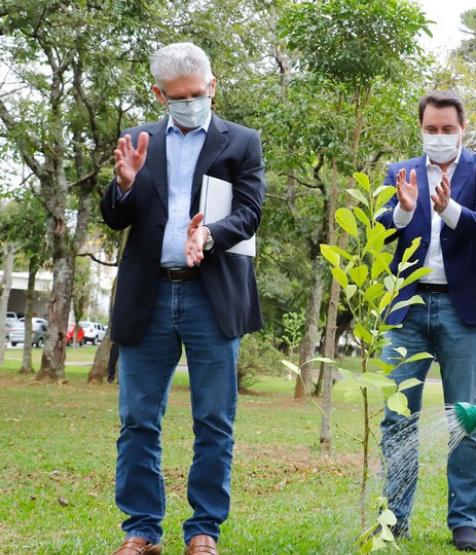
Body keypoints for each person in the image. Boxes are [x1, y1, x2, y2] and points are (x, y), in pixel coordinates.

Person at [101, 42, 265, 555]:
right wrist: (123, 186)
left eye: (198, 93)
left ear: (212, 86)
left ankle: (202, 531)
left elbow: (250, 212)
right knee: (137, 419)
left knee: (214, 420)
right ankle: (142, 530)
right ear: (159, 94)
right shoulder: (138, 140)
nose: (191, 102)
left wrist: (210, 234)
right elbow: (115, 216)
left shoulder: (240, 142)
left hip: (211, 296)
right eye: (179, 97)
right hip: (147, 296)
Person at [376, 90, 476, 552]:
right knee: (396, 418)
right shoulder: (401, 171)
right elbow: (381, 226)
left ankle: (464, 521)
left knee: (467, 418)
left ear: (462, 128)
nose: (438, 136)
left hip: (464, 307)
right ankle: (393, 518)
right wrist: (405, 209)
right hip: (407, 307)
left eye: (446, 129)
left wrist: (446, 209)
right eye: (430, 129)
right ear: (421, 128)